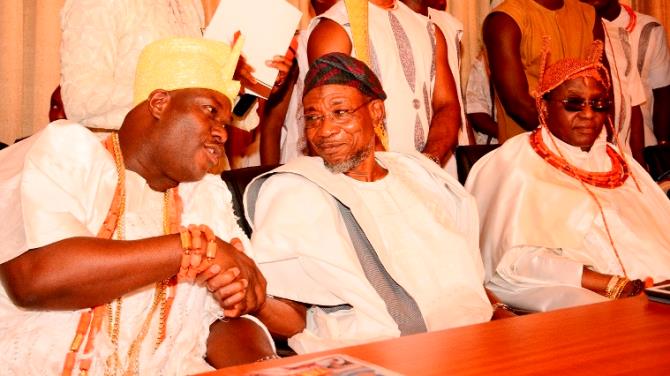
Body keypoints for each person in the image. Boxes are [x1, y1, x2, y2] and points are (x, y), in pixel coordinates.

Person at [0, 37, 274, 374]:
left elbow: (221, 323)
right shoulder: (68, 153)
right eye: (210, 111)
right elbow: (35, 280)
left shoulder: (206, 197)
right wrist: (191, 250)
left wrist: (266, 365)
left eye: (226, 123)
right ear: (159, 103)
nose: (221, 133)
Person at [246, 53, 496, 354]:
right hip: (372, 351)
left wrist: (502, 314)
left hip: (476, 338)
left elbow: (466, 275)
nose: (324, 131)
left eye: (340, 112)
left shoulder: (419, 175)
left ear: (376, 112)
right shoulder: (296, 191)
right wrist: (252, 298)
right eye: (313, 117)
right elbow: (292, 318)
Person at [465, 40, 670, 312]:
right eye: (574, 103)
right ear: (545, 106)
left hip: (654, 287)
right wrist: (611, 284)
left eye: (598, 104)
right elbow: (515, 262)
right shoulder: (517, 160)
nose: (588, 115)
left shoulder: (618, 161)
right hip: (578, 289)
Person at [288, 0, 462, 169]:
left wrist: (428, 164)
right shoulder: (335, 27)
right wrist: (390, 178)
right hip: (363, 182)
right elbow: (332, 120)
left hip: (428, 177)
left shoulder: (428, 28)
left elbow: (447, 105)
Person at [483, 0, 596, 142]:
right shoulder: (504, 20)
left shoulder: (588, 14)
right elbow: (518, 105)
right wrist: (570, 142)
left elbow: (603, 90)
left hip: (586, 148)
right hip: (526, 150)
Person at [580, 0, 670, 154]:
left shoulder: (649, 29)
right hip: (589, 145)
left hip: (642, 143)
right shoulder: (576, 28)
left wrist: (662, 145)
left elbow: (662, 94)